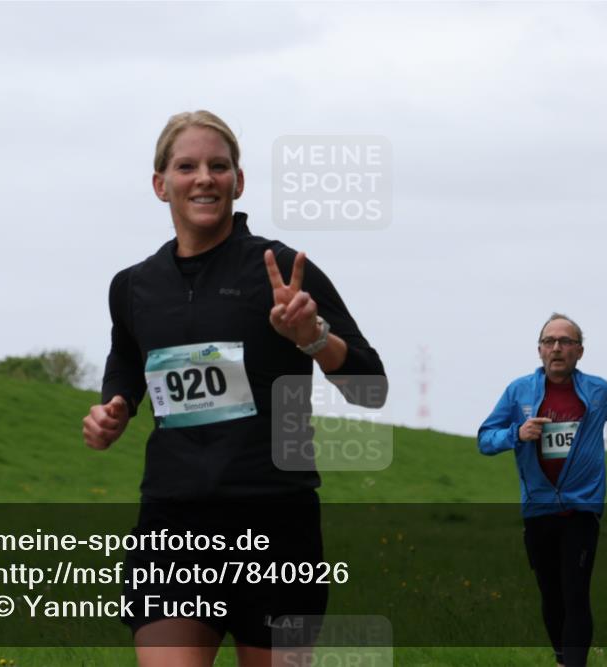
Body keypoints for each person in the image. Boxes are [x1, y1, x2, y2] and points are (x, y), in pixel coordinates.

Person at [81, 110, 386, 667]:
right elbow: (127, 355)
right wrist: (116, 406)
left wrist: (313, 337)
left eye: (219, 166)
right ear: (160, 184)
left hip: (276, 519)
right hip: (173, 522)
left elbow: (370, 387)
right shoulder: (133, 287)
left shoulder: (287, 271)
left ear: (238, 182)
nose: (204, 178)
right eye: (187, 166)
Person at [477, 313, 607, 667]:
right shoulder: (518, 391)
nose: (557, 348)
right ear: (539, 351)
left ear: (579, 351)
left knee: (575, 593)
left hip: (583, 508)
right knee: (551, 595)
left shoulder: (598, 390)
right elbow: (484, 439)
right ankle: (564, 658)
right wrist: (516, 434)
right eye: (549, 342)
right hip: (538, 508)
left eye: (565, 342)